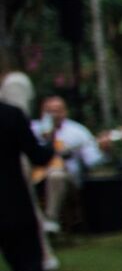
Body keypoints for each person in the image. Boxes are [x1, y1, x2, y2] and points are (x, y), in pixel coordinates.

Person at [0, 71, 61, 271]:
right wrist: (50, 140)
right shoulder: (11, 115)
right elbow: (39, 156)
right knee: (29, 270)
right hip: (12, 205)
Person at [31, 95, 106, 228]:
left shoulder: (77, 132)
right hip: (35, 176)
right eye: (49, 111)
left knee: (56, 175)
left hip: (67, 179)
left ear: (65, 112)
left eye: (57, 110)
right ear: (42, 112)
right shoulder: (31, 129)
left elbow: (92, 161)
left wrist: (104, 150)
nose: (53, 115)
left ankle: (50, 220)